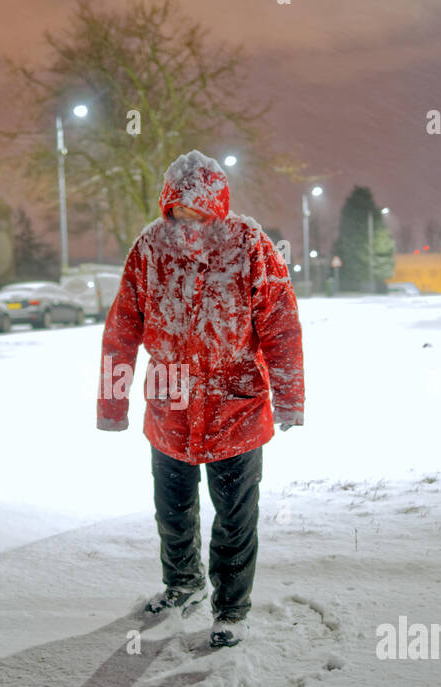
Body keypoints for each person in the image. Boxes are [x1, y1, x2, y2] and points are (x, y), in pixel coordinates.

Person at [96, 150, 305, 648]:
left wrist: (289, 396)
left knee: (235, 517)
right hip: (169, 404)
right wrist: (112, 403)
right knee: (172, 509)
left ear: (217, 204)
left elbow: (281, 326)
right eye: (179, 209)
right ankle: (182, 583)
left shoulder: (248, 244)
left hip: (235, 405)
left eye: (198, 209)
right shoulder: (149, 247)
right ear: (167, 203)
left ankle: (231, 609)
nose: (187, 219)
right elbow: (122, 328)